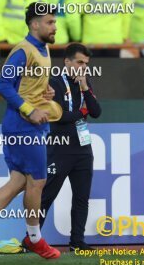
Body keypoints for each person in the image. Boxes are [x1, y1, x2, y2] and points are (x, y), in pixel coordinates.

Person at [0, 3, 64, 260]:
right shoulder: (22, 51)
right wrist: (30, 109)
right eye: (49, 22)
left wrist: (46, 93)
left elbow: (29, 85)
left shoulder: (42, 48)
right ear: (34, 24)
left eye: (54, 22)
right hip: (23, 125)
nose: (54, 26)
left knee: (19, 181)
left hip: (28, 124)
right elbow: (4, 84)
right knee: (38, 181)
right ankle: (34, 238)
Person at [40, 43, 101, 251]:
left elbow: (97, 111)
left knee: (82, 198)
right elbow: (60, 117)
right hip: (61, 148)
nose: (84, 67)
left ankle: (77, 242)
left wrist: (85, 88)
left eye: (86, 63)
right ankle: (31, 238)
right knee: (47, 195)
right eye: (80, 62)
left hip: (83, 150)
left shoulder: (85, 83)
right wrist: (82, 112)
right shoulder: (54, 83)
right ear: (67, 62)